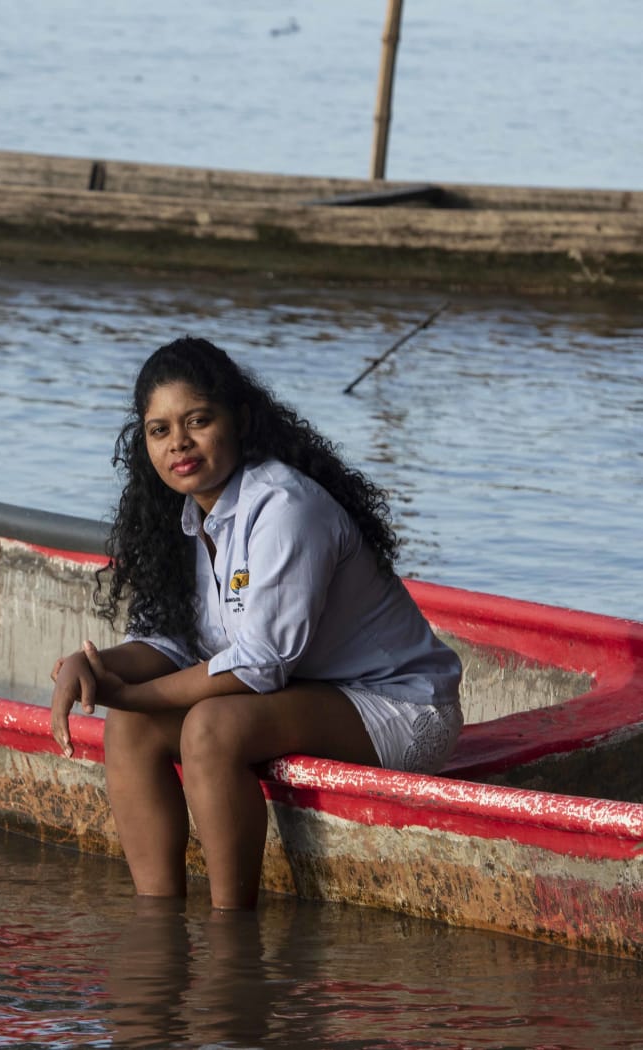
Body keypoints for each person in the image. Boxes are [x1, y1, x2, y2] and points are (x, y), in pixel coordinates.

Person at [50, 336, 462, 911]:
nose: (179, 445)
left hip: (397, 704)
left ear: (240, 420)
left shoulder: (286, 507)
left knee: (210, 727)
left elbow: (258, 667)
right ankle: (157, 921)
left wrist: (135, 691)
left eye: (198, 421)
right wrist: (93, 667)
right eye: (159, 430)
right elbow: (169, 641)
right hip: (306, 692)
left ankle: (230, 933)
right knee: (132, 726)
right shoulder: (186, 511)